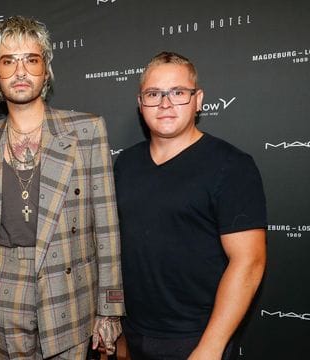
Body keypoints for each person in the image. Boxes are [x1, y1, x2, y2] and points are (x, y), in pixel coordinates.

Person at [0, 16, 125, 359]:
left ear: (46, 70)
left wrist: (109, 307)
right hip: (2, 288)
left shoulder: (86, 131)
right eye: (8, 61)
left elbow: (107, 226)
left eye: (31, 60)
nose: (20, 72)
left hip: (69, 289)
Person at [114, 51, 267, 359]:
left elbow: (248, 262)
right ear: (140, 102)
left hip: (197, 338)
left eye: (178, 93)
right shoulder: (125, 163)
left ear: (198, 100)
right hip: (135, 335)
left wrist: (211, 345)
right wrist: (119, 331)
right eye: (154, 93)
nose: (165, 103)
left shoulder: (231, 166)